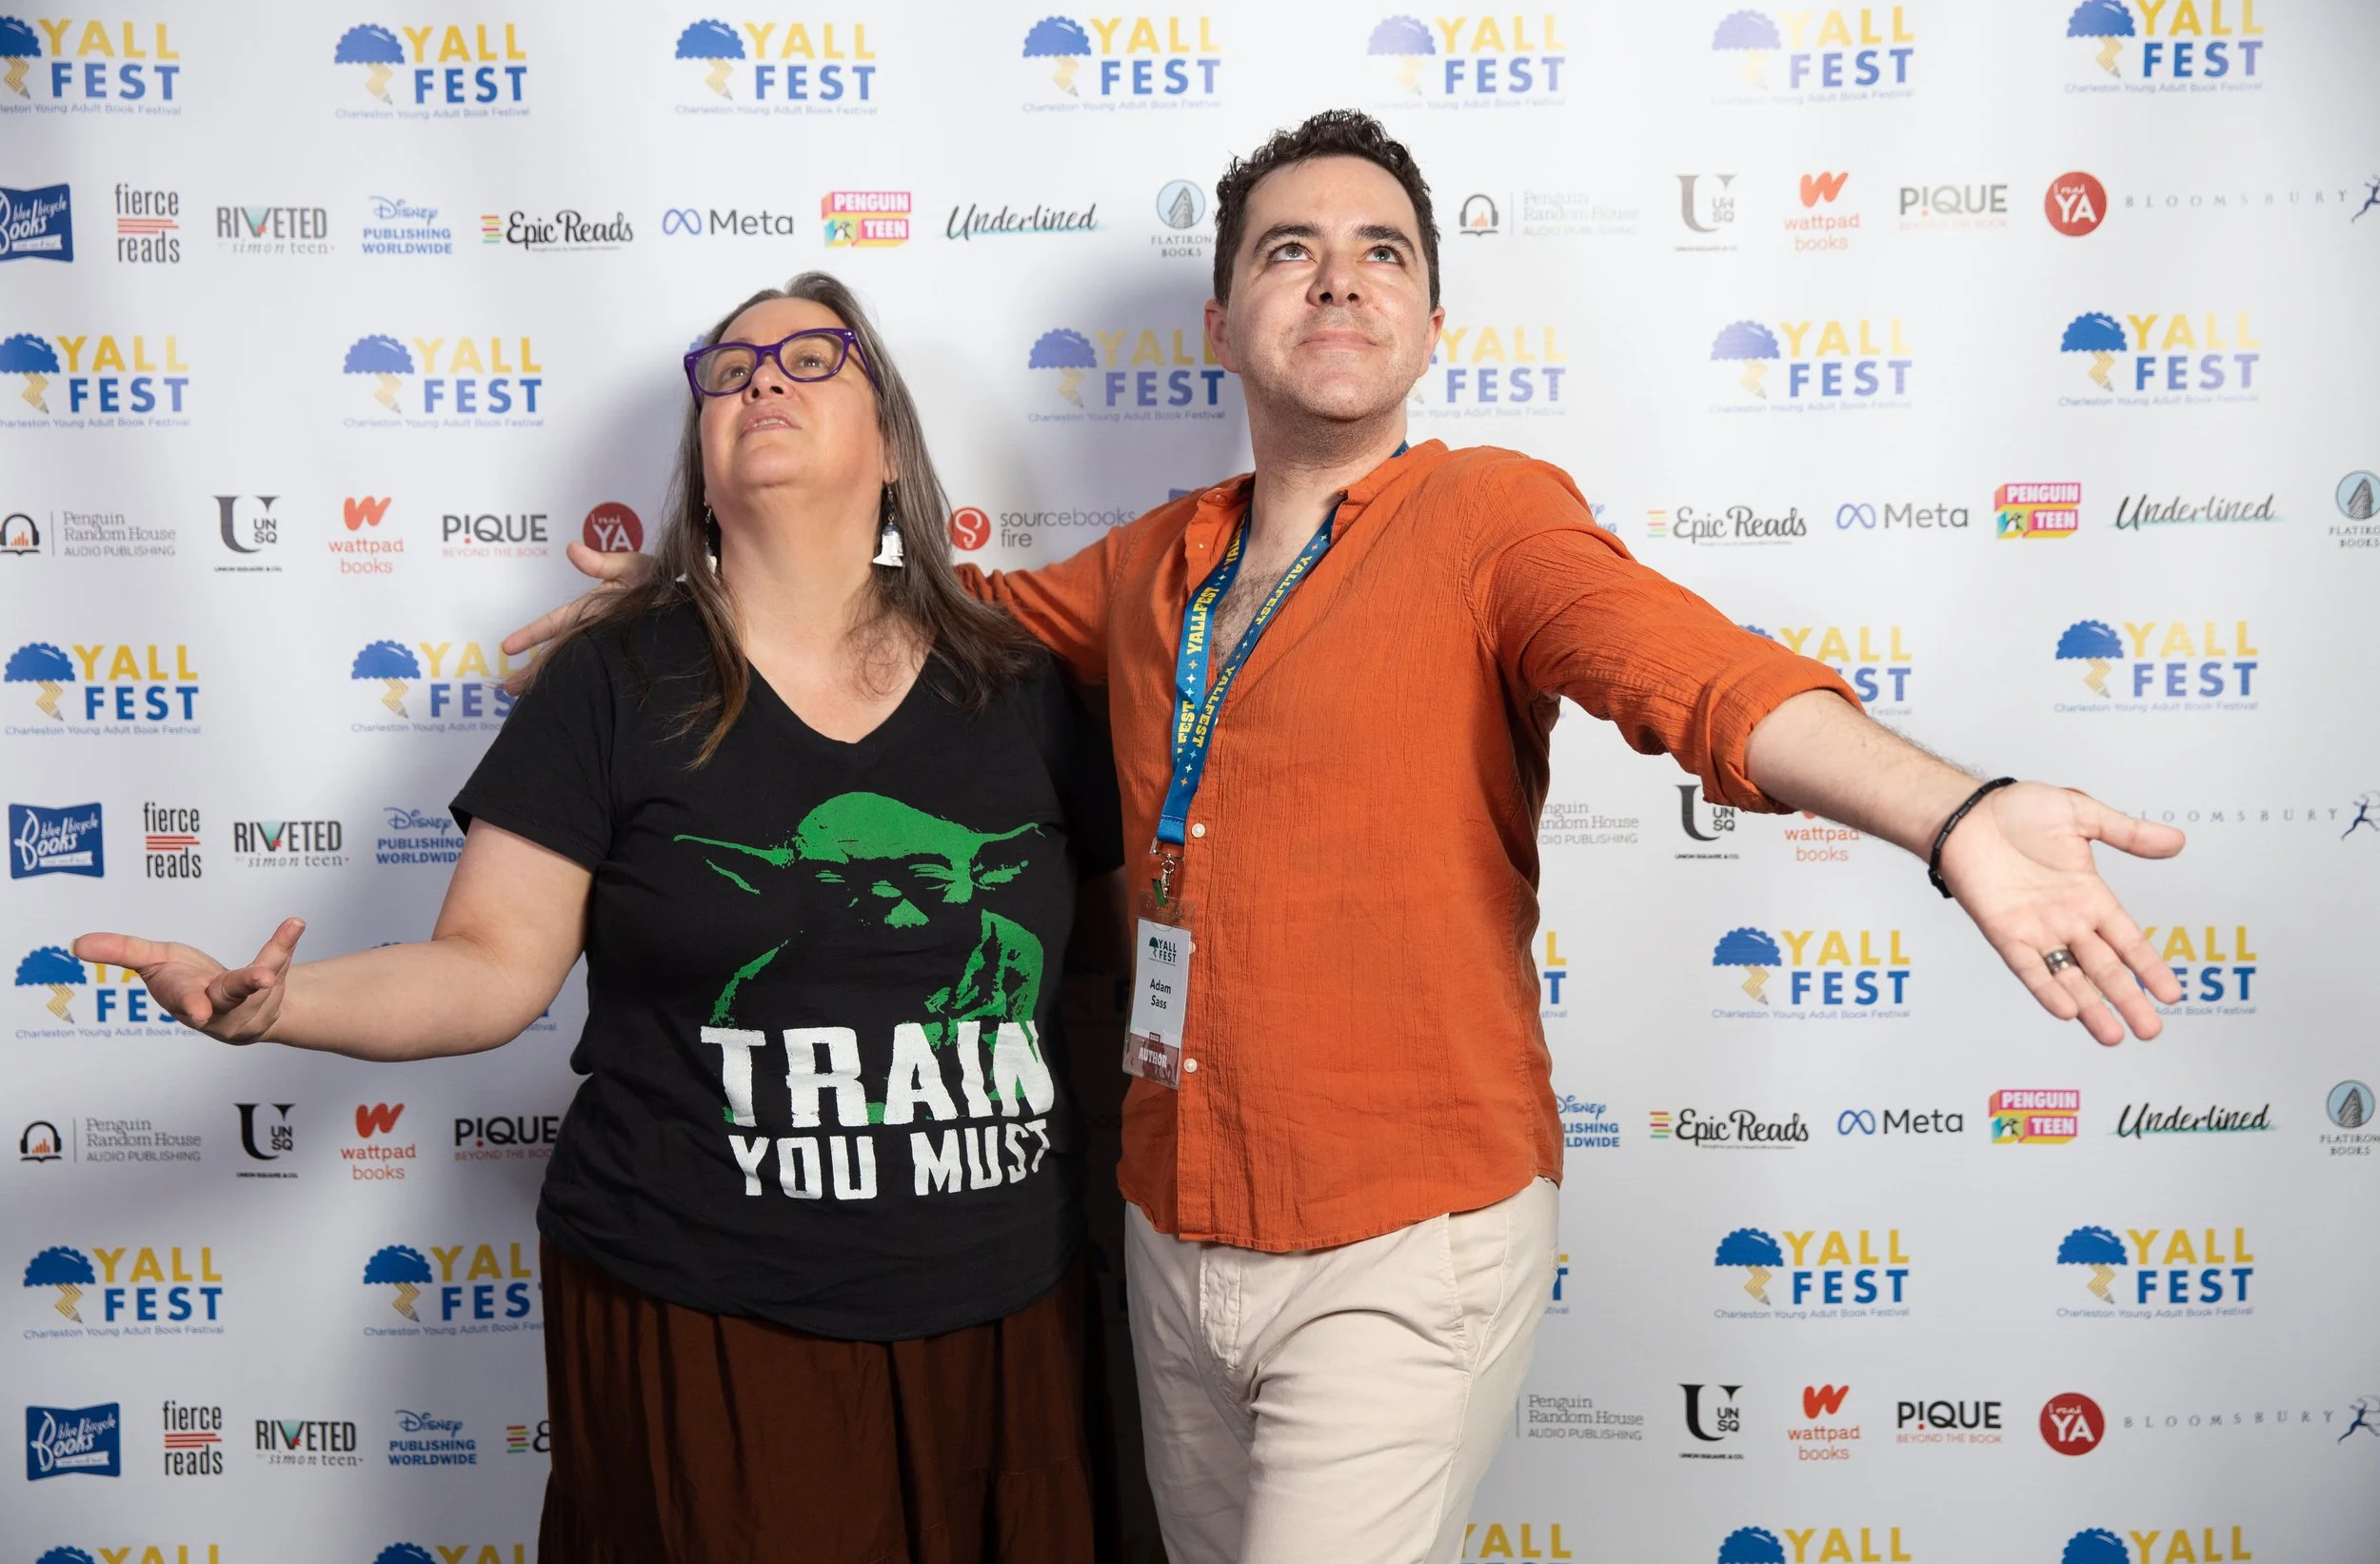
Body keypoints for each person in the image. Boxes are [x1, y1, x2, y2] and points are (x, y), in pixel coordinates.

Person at [508, 113, 2189, 1564]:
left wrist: (1951, 809)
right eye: (1290, 249)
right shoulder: (1152, 563)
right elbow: (901, 623)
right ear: (1225, 318)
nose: (1337, 277)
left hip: (1402, 1234)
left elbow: (1701, 676)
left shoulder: (1490, 520)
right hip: (1171, 1231)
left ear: (1433, 319)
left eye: (1381, 251)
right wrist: (689, 603)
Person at [77, 273, 1123, 1564]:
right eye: (728, 371)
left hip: (1004, 1316)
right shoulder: (616, 680)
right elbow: (490, 965)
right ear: (698, 457)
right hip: (709, 1311)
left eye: (811, 355)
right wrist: (282, 1006)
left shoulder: (1020, 687)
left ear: (893, 442)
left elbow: (1112, 970)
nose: (763, 382)